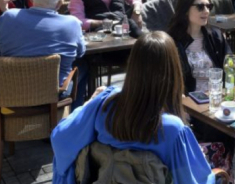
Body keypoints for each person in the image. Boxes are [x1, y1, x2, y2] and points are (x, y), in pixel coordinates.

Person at [51, 31, 215, 184]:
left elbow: (60, 138)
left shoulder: (103, 106)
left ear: (132, 65)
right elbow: (194, 179)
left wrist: (88, 104)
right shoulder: (173, 129)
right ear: (172, 71)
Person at [0, 0, 87, 107]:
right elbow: (80, 52)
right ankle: (73, 119)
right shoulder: (72, 23)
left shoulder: (8, 16)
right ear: (60, 3)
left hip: (12, 91)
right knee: (83, 66)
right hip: (54, 93)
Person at [168, 0, 235, 94]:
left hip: (217, 97)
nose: (206, 11)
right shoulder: (172, 41)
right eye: (200, 7)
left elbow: (231, 70)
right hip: (189, 102)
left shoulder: (215, 36)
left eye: (209, 6)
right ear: (185, 10)